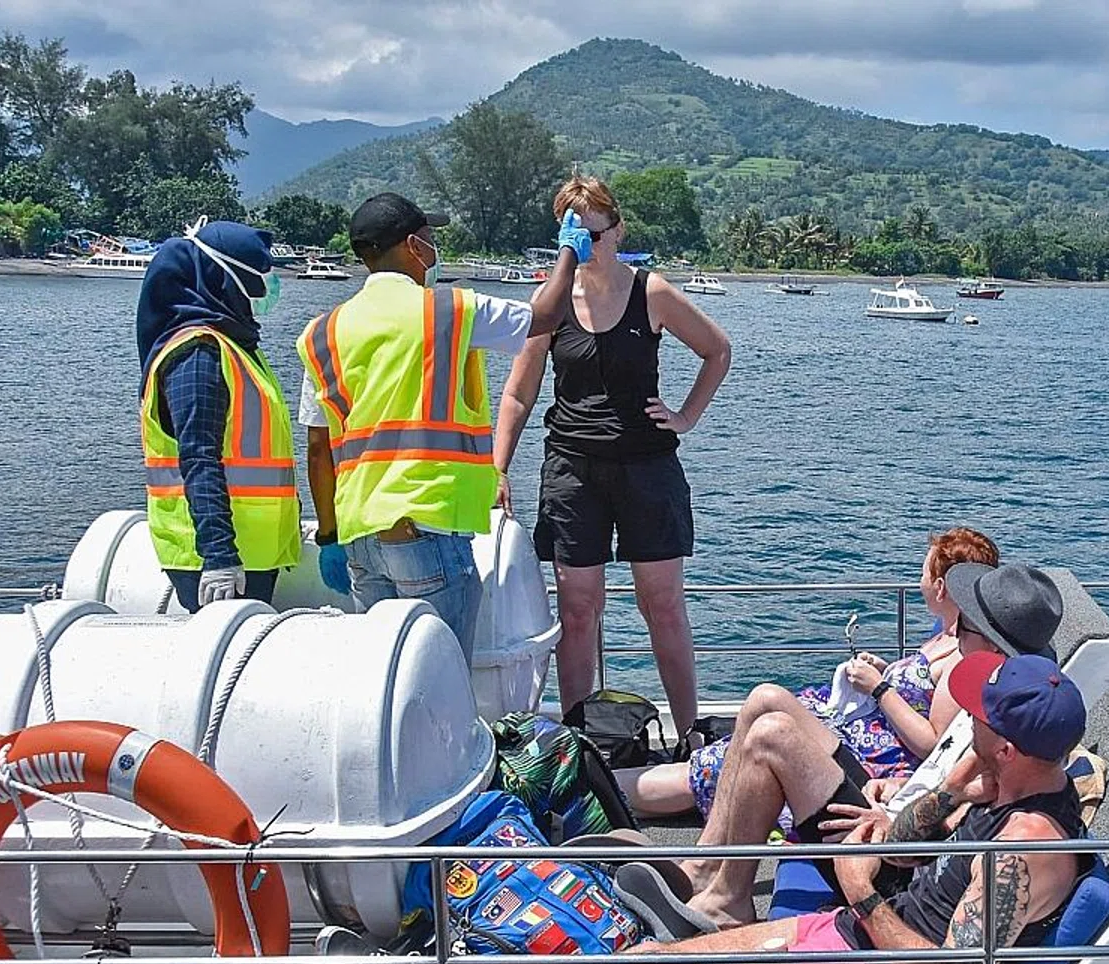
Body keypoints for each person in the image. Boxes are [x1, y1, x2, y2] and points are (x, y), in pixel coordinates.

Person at [323, 652, 1092, 964]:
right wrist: (949, 790)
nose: (965, 722)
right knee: (657, 951)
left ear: (1015, 743)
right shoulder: (995, 784)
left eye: (981, 721)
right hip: (849, 948)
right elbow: (898, 842)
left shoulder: (1028, 846)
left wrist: (860, 889)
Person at [676, 561, 1067, 926]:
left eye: (964, 624)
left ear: (994, 648)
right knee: (766, 698)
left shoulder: (1005, 732)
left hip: (889, 858)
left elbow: (962, 822)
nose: (952, 628)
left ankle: (730, 899)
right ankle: (705, 865)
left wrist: (890, 820)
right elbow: (948, 776)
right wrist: (898, 787)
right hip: (892, 806)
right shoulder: (993, 694)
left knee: (772, 736)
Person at [296, 193, 590, 661]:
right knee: (442, 681)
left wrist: (329, 537)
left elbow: (318, 447)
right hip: (424, 527)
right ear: (414, 246)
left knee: (382, 683)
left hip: (359, 538)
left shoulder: (322, 332)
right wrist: (570, 251)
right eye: (432, 240)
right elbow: (547, 316)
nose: (435, 250)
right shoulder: (450, 311)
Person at [494, 176, 733, 729]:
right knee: (578, 612)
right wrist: (496, 466)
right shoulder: (550, 305)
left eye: (594, 237)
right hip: (572, 471)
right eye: (571, 239)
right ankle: (578, 743)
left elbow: (717, 350)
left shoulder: (651, 292)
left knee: (662, 606)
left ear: (618, 230)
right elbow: (518, 391)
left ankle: (690, 735)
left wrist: (685, 416)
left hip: (647, 468)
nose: (583, 250)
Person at [620, 527, 1000, 820]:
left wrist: (881, 688)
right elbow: (920, 695)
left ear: (939, 587)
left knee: (756, 722)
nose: (917, 581)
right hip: (856, 732)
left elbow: (933, 744)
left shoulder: (962, 658)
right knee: (749, 728)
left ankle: (604, 791)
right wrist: (887, 671)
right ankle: (629, 789)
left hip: (874, 757)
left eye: (922, 571)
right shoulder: (946, 636)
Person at [135, 218, 301, 611]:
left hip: (253, 552)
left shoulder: (235, 346)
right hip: (220, 560)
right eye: (262, 278)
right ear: (226, 279)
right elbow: (199, 456)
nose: (269, 288)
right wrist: (219, 555)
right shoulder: (198, 355)